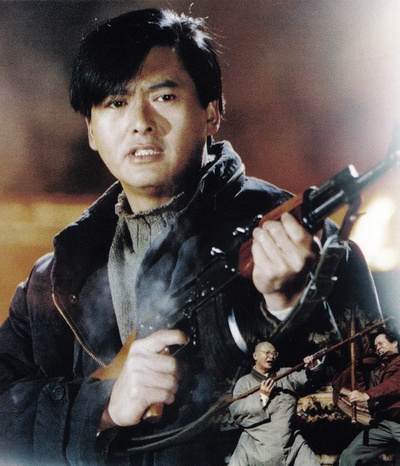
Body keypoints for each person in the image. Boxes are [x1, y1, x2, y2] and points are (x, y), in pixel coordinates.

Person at [0, 7, 381, 465]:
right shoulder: (53, 283)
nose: (140, 121)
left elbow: (373, 425)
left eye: (163, 96)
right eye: (116, 103)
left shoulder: (313, 247)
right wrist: (101, 406)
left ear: (211, 112)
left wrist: (294, 309)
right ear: (92, 132)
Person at [228, 341, 322, 466]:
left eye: (274, 353)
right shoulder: (244, 383)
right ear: (255, 355)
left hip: (291, 444)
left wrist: (312, 368)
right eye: (267, 353)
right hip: (255, 445)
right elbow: (237, 412)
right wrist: (262, 397)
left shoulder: (286, 375)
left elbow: (310, 383)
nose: (271, 356)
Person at [339, 330, 400, 465]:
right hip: (382, 424)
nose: (378, 347)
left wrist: (368, 395)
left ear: (394, 343)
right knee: (349, 456)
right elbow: (362, 350)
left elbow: (395, 383)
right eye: (376, 346)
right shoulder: (377, 368)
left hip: (398, 420)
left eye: (381, 343)